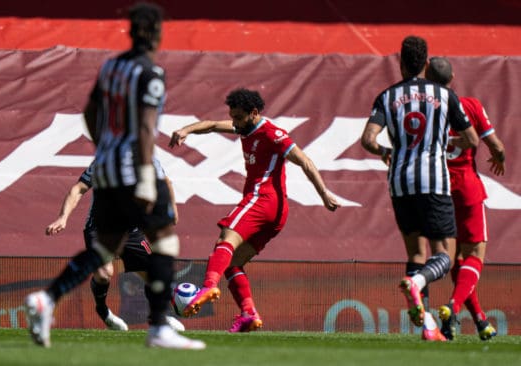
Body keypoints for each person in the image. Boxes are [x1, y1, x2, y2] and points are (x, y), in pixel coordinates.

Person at [25, 3, 205, 349]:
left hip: (106, 168)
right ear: (156, 34)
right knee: (166, 239)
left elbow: (90, 111)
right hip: (134, 169)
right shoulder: (151, 73)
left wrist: (105, 146)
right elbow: (146, 127)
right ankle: (158, 328)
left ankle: (47, 299)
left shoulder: (111, 67)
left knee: (106, 249)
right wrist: (144, 176)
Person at [168, 88, 340, 332]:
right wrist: (186, 130)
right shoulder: (245, 127)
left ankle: (207, 287)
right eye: (233, 116)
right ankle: (248, 313)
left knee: (224, 241)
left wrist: (323, 193)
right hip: (277, 213)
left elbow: (304, 160)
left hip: (263, 199)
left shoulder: (272, 133)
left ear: (254, 113)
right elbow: (213, 125)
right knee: (232, 264)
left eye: (238, 117)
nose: (234, 122)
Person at [360, 35, 479, 341]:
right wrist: (446, 142)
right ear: (426, 63)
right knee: (444, 256)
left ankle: (428, 326)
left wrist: (385, 152)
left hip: (400, 182)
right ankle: (417, 284)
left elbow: (368, 140)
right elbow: (472, 140)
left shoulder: (386, 96)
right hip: (434, 182)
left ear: (400, 63)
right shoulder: (445, 95)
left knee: (416, 252)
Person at [45, 159, 185, 333]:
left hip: (132, 231)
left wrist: (172, 209)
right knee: (104, 274)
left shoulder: (150, 160)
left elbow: (166, 182)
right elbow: (78, 188)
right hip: (100, 228)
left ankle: (158, 318)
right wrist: (63, 217)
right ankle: (102, 310)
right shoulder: (104, 161)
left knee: (154, 274)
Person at [425, 56, 505, 341]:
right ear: (453, 76)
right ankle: (452, 306)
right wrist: (500, 158)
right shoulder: (469, 106)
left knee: (455, 259)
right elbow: (496, 146)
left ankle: (480, 320)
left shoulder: (425, 112)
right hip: (467, 189)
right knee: (474, 255)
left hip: (439, 190)